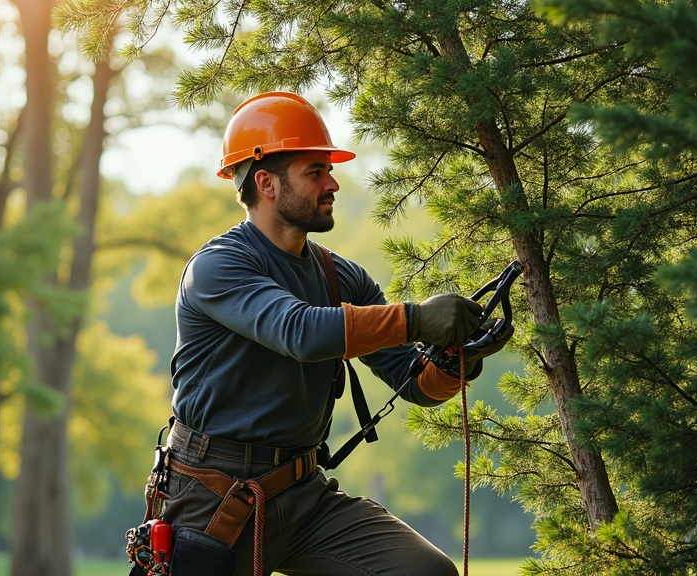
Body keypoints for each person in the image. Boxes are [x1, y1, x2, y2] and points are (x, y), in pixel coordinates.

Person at [156, 91, 513, 576]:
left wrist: (457, 359)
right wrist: (417, 318)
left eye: (329, 170)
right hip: (212, 496)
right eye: (315, 172)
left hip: (303, 492)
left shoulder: (341, 277)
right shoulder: (218, 267)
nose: (333, 184)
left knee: (425, 572)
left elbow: (414, 382)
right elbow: (299, 332)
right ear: (266, 183)